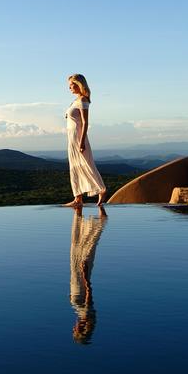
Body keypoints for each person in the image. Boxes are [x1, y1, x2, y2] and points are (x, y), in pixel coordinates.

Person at [62, 73, 107, 208]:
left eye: (72, 84)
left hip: (78, 137)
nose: (70, 87)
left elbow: (85, 123)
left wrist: (81, 142)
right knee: (75, 166)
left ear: (79, 84)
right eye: (69, 85)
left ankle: (101, 189)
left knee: (86, 164)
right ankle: (78, 198)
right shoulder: (75, 101)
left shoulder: (83, 100)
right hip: (71, 137)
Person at [69, 204, 107, 344]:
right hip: (80, 278)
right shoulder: (87, 315)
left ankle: (80, 217)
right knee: (83, 250)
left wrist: (71, 298)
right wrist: (85, 276)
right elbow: (89, 295)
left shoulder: (83, 315)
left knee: (77, 247)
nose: (73, 328)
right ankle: (99, 222)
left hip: (76, 279)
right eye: (75, 330)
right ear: (80, 329)